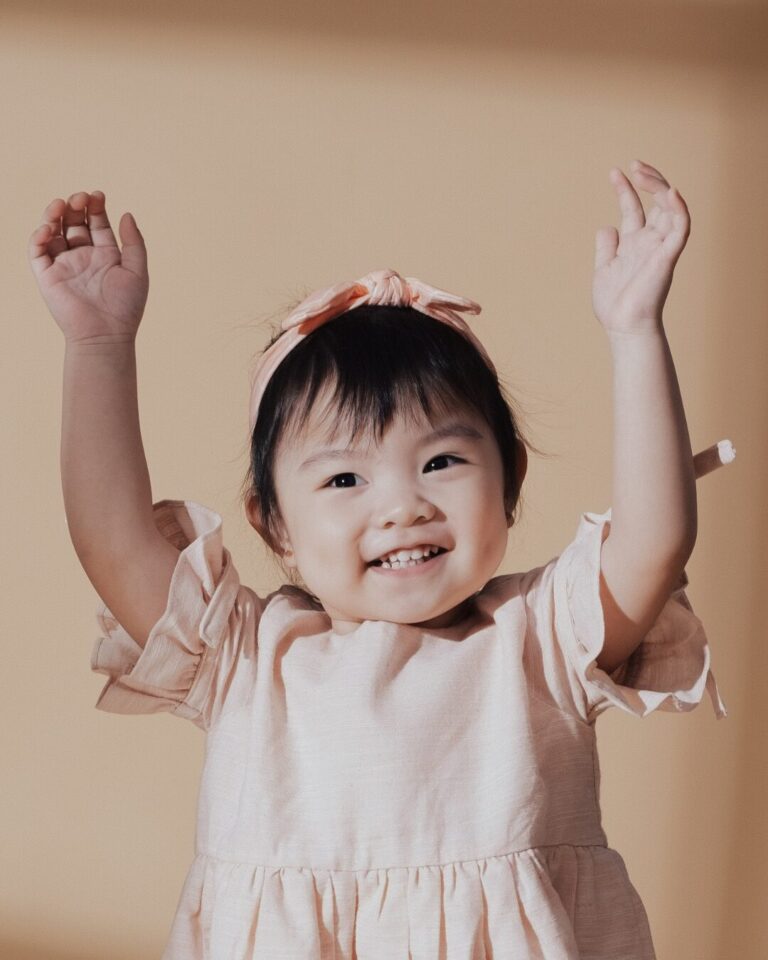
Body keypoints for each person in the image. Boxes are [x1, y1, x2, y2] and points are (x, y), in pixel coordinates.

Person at [28, 159, 732, 959]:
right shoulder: (248, 660)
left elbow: (654, 538)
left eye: (441, 462)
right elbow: (112, 538)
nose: (402, 506)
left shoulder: (539, 642)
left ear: (511, 484)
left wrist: (636, 331)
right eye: (343, 477)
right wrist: (96, 343)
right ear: (276, 527)